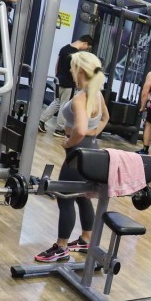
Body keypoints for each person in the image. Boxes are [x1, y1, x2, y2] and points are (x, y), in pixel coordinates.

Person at [34, 52, 110, 263]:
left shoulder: (81, 98)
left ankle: (61, 247)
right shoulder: (96, 95)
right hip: (92, 152)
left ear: (81, 71)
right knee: (83, 196)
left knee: (65, 197)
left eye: (73, 67)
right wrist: (94, 133)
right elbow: (105, 117)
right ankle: (86, 239)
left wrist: (69, 142)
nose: (70, 70)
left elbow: (80, 129)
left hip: (76, 155)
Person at [39, 34, 94, 133]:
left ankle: (41, 121)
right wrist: (77, 83)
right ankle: (60, 129)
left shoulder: (64, 48)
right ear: (85, 43)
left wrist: (57, 77)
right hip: (68, 83)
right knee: (64, 105)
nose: (86, 50)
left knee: (57, 102)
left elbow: (57, 65)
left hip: (58, 80)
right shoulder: (76, 55)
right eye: (87, 48)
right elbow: (75, 71)